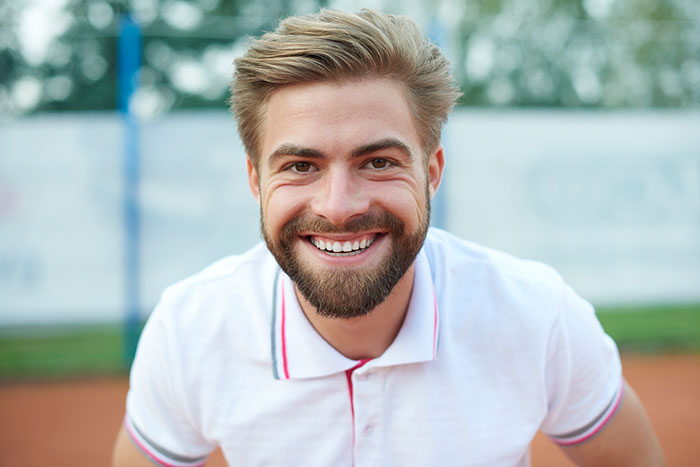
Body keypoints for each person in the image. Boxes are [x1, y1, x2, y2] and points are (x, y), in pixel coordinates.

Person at [112, 9, 664, 467]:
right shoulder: (190, 329)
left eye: (377, 161)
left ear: (433, 171)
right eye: (301, 166)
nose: (339, 206)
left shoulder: (539, 314)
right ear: (256, 180)